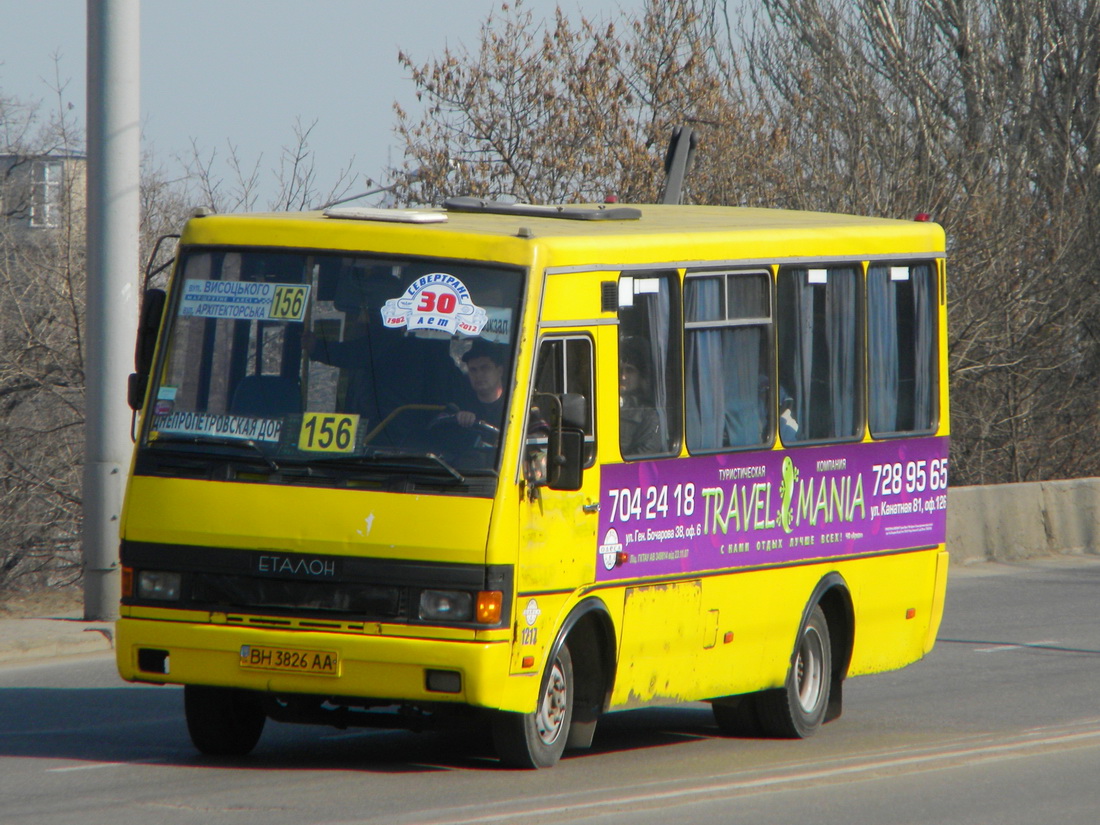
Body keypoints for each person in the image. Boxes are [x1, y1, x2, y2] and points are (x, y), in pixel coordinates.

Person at [619, 336, 663, 456]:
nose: (623, 377)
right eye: (620, 370)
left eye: (630, 371)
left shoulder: (649, 414)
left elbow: (647, 451)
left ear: (641, 377)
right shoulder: (606, 405)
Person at [455, 338, 506, 430]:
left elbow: (537, 435)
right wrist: (458, 417)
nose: (478, 375)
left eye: (485, 368)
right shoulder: (460, 404)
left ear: (499, 371)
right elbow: (439, 423)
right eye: (473, 370)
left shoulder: (518, 404)